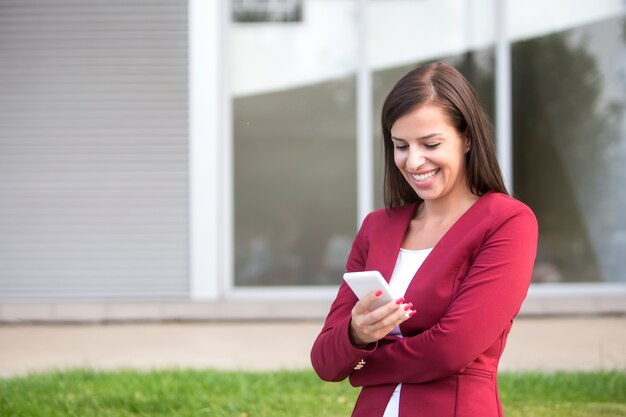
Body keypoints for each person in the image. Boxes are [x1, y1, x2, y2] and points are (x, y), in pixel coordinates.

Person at [310, 62, 538, 417]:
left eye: (430, 143)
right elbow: (325, 360)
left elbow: (452, 348)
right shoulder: (376, 227)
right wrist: (356, 333)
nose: (413, 161)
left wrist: (363, 364)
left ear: (466, 140)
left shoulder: (507, 222)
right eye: (401, 145)